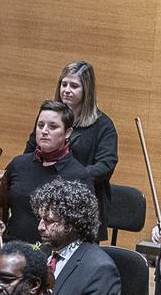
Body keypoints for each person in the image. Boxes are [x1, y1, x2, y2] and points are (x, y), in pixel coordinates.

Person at [24, 61, 117, 235]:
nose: (66, 90)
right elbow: (29, 153)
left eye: (74, 86)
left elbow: (106, 164)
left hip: (81, 204)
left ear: (86, 91)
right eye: (64, 84)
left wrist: (72, 179)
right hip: (44, 204)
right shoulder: (48, 117)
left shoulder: (103, 125)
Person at [0, 100, 91, 244]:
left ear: (68, 132)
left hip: (53, 255)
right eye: (40, 125)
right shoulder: (18, 164)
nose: (44, 131)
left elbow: (85, 230)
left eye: (53, 126)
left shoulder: (79, 176)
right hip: (12, 248)